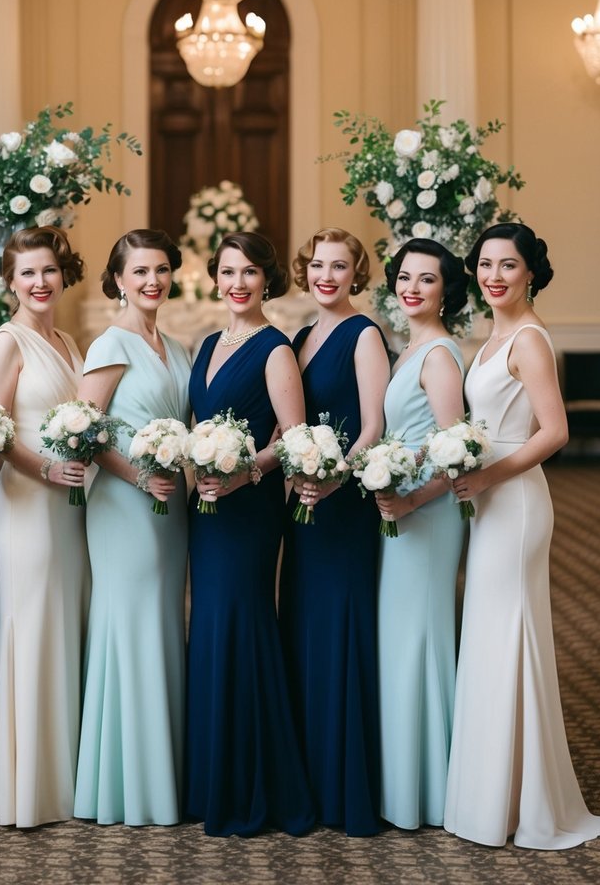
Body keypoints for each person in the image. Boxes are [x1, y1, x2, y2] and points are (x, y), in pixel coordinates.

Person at [444, 223, 600, 849]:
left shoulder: (530, 338)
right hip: (491, 499)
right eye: (485, 265)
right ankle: (496, 795)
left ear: (531, 273)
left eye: (507, 266)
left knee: (508, 636)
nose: (493, 276)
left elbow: (554, 431)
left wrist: (487, 474)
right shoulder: (495, 335)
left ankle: (518, 802)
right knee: (492, 637)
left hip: (514, 503)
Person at [186, 231, 314, 837]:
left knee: (242, 624)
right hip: (204, 509)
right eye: (228, 272)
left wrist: (244, 474)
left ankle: (259, 782)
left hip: (250, 509)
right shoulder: (207, 342)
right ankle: (213, 778)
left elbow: (293, 436)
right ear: (216, 277)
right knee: (210, 628)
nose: (238, 283)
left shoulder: (276, 348)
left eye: (250, 273)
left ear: (268, 281)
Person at [74, 229, 191, 827]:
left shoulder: (176, 345)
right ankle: (127, 784)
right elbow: (82, 433)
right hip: (125, 505)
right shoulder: (110, 345)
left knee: (164, 621)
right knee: (132, 624)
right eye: (140, 271)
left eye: (162, 270)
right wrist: (139, 479)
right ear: (118, 278)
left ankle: (163, 772)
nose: (153, 281)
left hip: (172, 507)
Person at [278, 228, 390, 836]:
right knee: (304, 626)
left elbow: (372, 425)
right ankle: (309, 778)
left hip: (342, 507)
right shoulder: (298, 337)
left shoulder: (364, 333)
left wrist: (335, 478)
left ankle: (344, 786)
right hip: (303, 505)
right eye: (317, 264)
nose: (326, 274)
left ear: (356, 273)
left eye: (339, 265)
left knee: (339, 628)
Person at [0, 226, 89, 829]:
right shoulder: (7, 341)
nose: (40, 283)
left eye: (48, 271)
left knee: (67, 623)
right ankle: (28, 789)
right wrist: (48, 470)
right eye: (27, 274)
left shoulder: (70, 340)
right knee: (33, 627)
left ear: (62, 273)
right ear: (10, 282)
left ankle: (66, 778)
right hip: (27, 504)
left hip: (72, 506)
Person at [375, 238, 468, 830]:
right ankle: (407, 786)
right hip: (402, 512)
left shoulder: (438, 354)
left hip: (426, 517)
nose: (411, 288)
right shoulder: (410, 349)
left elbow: (454, 451)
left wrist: (410, 500)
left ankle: (432, 793)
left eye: (426, 280)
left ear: (445, 291)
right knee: (403, 644)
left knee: (422, 642)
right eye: (404, 277)